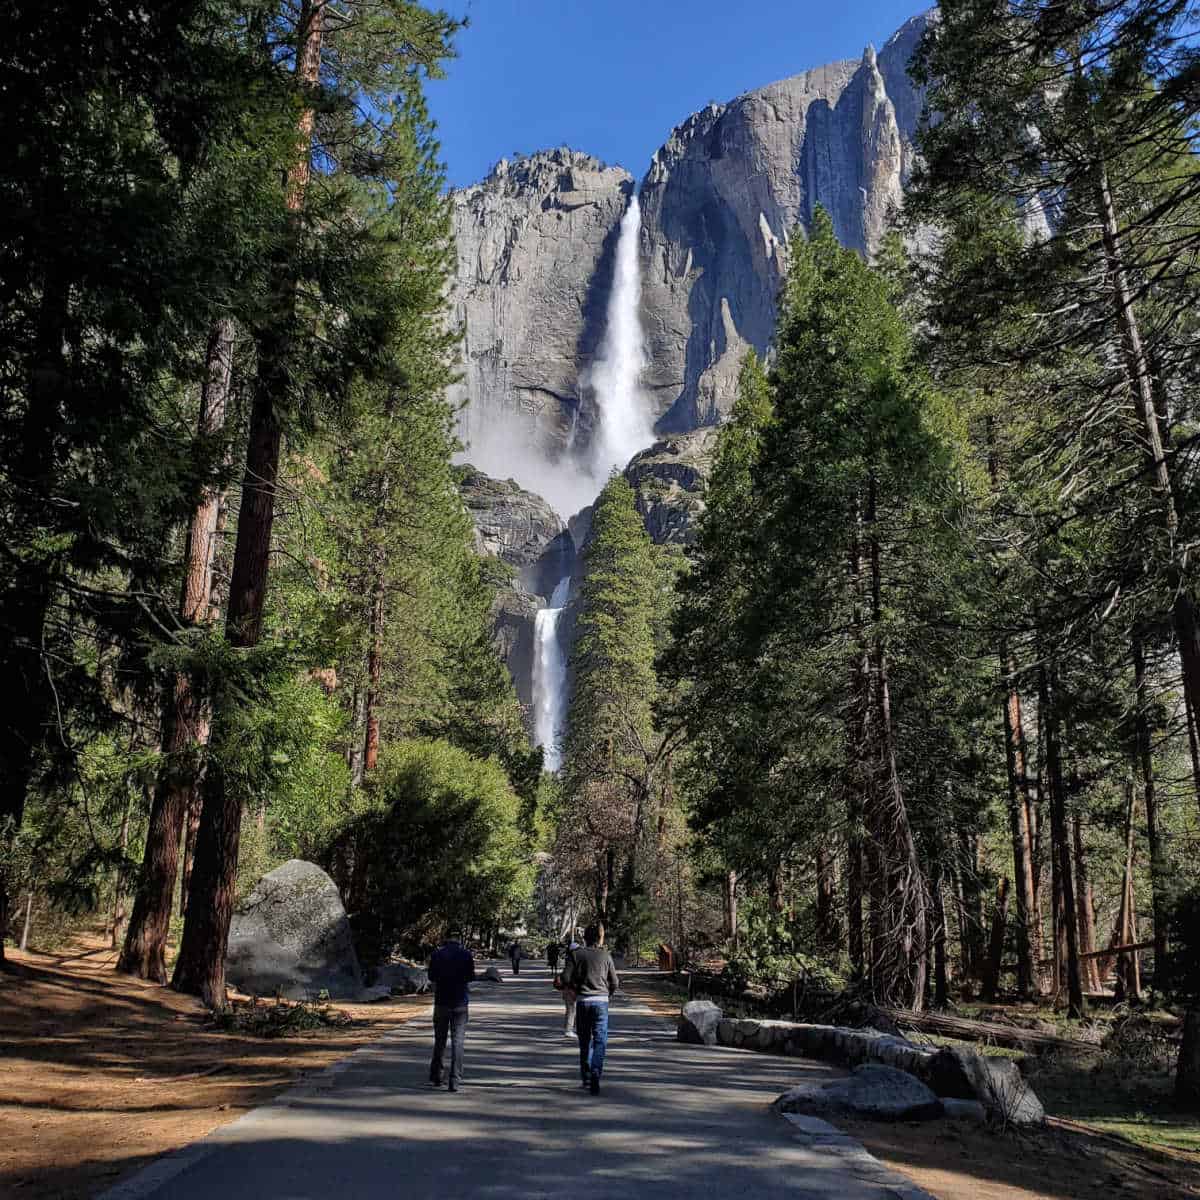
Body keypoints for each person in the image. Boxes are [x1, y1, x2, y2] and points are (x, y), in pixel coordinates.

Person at [565, 923, 619, 1095]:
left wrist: (573, 988)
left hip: (583, 1001)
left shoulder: (576, 954)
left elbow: (565, 976)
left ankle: (586, 1076)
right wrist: (608, 994)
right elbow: (615, 982)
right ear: (599, 937)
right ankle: (596, 1070)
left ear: (585, 937)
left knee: (584, 1040)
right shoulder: (606, 956)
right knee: (600, 1040)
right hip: (601, 1002)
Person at [427, 930, 476, 1092]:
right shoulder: (466, 954)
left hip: (441, 1002)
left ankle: (436, 1075)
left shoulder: (437, 954)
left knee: (439, 1040)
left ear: (445, 938)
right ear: (459, 939)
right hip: (460, 1003)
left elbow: (431, 977)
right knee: (458, 1042)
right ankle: (454, 1080)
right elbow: (470, 977)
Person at [558, 930, 581, 1037]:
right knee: (572, 1009)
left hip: (569, 988)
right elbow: (566, 976)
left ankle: (572, 1028)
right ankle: (568, 1030)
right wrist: (572, 986)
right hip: (570, 989)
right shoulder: (572, 961)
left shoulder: (570, 960)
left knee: (572, 1009)